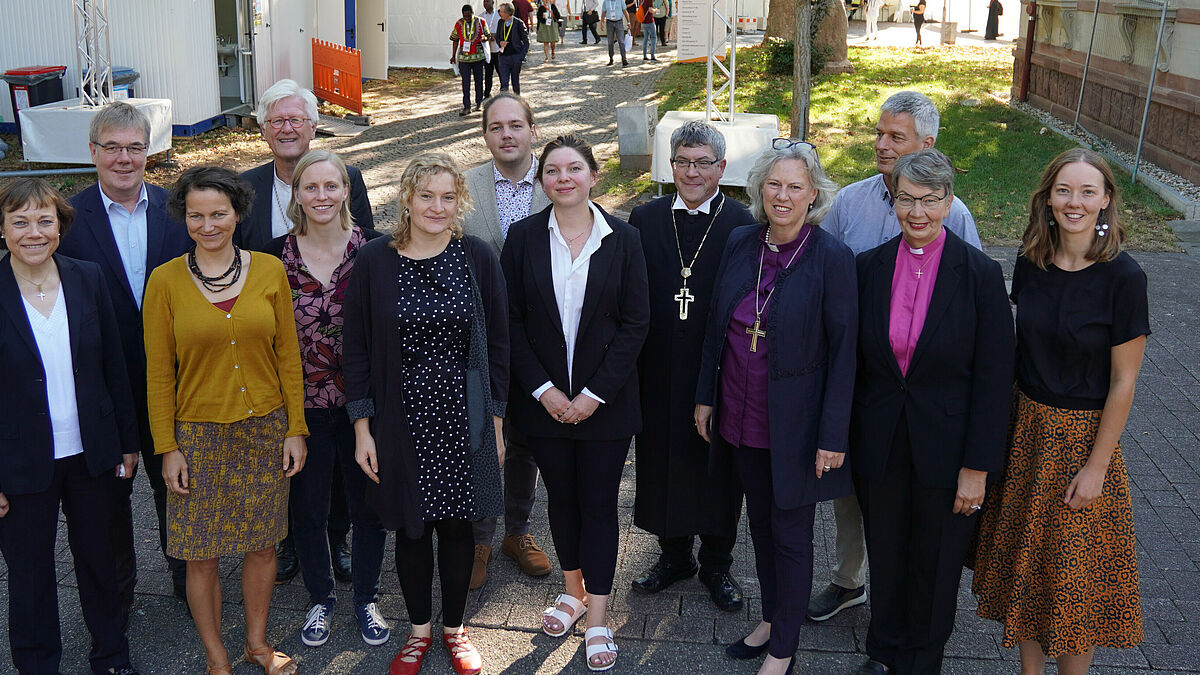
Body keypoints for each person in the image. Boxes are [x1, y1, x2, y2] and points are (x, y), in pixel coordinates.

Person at [970, 148, 1148, 675]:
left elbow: (1125, 380)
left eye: (1088, 191)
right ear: (1048, 199)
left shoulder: (1124, 278)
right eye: (1064, 190)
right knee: (1027, 568)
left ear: (1106, 201)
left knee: (1074, 580)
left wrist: (1096, 467)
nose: (1075, 202)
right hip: (1025, 430)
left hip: (1082, 441)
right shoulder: (1032, 262)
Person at [812, 90, 982, 624]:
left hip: (923, 392)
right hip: (860, 379)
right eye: (879, 134)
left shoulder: (957, 217)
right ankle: (847, 579)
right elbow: (824, 277)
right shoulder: (851, 203)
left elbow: (975, 312)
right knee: (852, 492)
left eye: (896, 137)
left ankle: (906, 606)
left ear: (926, 145)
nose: (882, 146)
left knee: (906, 504)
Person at [849, 149, 1014, 675]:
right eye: (905, 199)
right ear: (892, 199)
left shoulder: (980, 276)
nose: (916, 212)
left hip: (949, 454)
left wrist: (978, 467)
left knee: (936, 565)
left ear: (948, 201)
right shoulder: (868, 268)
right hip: (881, 445)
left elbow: (994, 381)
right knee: (888, 555)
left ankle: (920, 663)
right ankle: (883, 652)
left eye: (929, 199)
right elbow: (856, 367)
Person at [696, 139, 857, 675]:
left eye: (795, 186)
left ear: (814, 195)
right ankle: (770, 618)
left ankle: (784, 647)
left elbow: (845, 354)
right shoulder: (742, 241)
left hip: (797, 427)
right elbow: (716, 328)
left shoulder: (832, 258)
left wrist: (832, 436)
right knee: (759, 527)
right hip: (740, 416)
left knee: (791, 535)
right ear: (759, 189)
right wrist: (704, 397)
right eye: (774, 184)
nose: (782, 196)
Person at [343, 153, 508, 675]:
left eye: (448, 196)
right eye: (426, 195)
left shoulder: (476, 256)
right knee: (412, 529)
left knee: (459, 528)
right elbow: (358, 349)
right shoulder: (375, 260)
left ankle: (456, 630)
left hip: (466, 416)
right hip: (400, 417)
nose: (437, 207)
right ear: (407, 200)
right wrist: (362, 427)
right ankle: (417, 632)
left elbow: (500, 345)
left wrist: (498, 424)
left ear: (460, 201)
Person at [144, 166, 308, 675]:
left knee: (263, 545)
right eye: (197, 215)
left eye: (219, 213)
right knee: (202, 555)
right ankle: (217, 657)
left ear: (238, 213)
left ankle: (258, 644)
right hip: (197, 436)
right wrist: (167, 445)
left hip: (265, 429)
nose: (208, 224)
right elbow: (157, 374)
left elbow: (288, 357)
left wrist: (295, 428)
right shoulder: (165, 281)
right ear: (183, 218)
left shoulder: (268, 270)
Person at [501, 135, 649, 672]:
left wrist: (591, 396)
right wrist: (544, 391)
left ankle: (600, 618)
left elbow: (636, 324)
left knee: (597, 505)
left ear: (593, 175)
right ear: (542, 181)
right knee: (559, 501)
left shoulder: (624, 238)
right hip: (544, 405)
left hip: (604, 406)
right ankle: (571, 591)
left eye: (574, 168)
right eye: (553, 170)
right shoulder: (520, 238)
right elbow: (510, 321)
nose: (563, 178)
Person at [0, 178, 141, 675]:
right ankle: (38, 665)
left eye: (44, 220)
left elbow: (114, 368)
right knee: (31, 575)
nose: (33, 232)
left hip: (93, 452)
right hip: (18, 464)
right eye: (19, 222)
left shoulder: (88, 277)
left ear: (60, 227)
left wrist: (128, 442)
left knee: (101, 565)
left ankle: (111, 656)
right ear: (3, 230)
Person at [58, 102, 193, 608]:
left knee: (177, 488)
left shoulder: (177, 212)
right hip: (100, 386)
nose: (123, 158)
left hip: (174, 381)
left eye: (135, 147)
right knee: (108, 499)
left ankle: (188, 587)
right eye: (111, 147)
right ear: (92, 152)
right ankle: (116, 597)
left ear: (149, 151)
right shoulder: (66, 220)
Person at [238, 78, 372, 584]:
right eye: (278, 120)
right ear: (264, 128)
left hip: (342, 361)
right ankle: (289, 542)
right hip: (277, 358)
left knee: (337, 469)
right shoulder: (245, 187)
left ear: (315, 126)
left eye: (297, 119)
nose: (288, 127)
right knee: (288, 462)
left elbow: (362, 247)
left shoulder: (348, 176)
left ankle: (334, 544)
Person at [261, 150, 391, 650]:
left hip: (366, 404)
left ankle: (366, 598)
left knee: (368, 505)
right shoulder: (272, 258)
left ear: (346, 192)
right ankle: (321, 598)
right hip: (302, 407)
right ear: (296, 194)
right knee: (308, 508)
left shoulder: (377, 252)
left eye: (331, 186)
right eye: (310, 187)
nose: (321, 196)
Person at [628, 120, 756, 612]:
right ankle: (674, 555)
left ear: (721, 168)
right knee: (663, 461)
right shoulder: (646, 218)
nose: (692, 172)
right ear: (671, 164)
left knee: (718, 469)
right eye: (683, 161)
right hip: (658, 368)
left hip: (721, 368)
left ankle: (717, 564)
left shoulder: (742, 224)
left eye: (704, 163)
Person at [463, 92, 553, 589]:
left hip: (541, 339)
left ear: (531, 130)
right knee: (481, 436)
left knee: (526, 441)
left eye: (516, 125)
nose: (507, 135)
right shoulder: (467, 186)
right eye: (496, 127)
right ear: (486, 135)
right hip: (478, 339)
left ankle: (517, 531)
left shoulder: (556, 178)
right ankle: (479, 535)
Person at [451, 4, 492, 116]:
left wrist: (485, 38)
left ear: (473, 13)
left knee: (479, 80)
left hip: (478, 57)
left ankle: (479, 102)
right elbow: (455, 39)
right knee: (465, 82)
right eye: (465, 16)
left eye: (469, 16)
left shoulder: (481, 21)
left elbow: (488, 35)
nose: (467, 18)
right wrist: (453, 55)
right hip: (464, 59)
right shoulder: (459, 23)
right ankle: (467, 106)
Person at [496, 3, 531, 95]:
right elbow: (497, 37)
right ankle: (504, 104)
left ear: (508, 13)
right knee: (504, 83)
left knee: (515, 82)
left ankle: (517, 103)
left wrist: (521, 56)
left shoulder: (519, 23)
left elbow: (526, 42)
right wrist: (500, 42)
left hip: (515, 56)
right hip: (503, 57)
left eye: (501, 11)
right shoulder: (500, 22)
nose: (499, 13)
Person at [480, 0, 502, 97]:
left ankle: (504, 90)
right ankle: (487, 92)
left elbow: (503, 30)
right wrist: (486, 37)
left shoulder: (499, 14)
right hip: (487, 49)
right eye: (484, 2)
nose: (485, 4)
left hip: (497, 49)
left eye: (487, 1)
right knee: (488, 73)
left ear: (493, 2)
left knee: (500, 71)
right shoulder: (480, 16)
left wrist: (496, 36)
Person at [602, 0, 629, 67]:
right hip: (609, 22)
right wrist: (601, 22)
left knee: (621, 41)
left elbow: (625, 11)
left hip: (619, 22)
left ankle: (624, 59)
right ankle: (611, 58)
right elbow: (603, 12)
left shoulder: (621, 1)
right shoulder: (606, 1)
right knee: (610, 42)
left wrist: (628, 22)